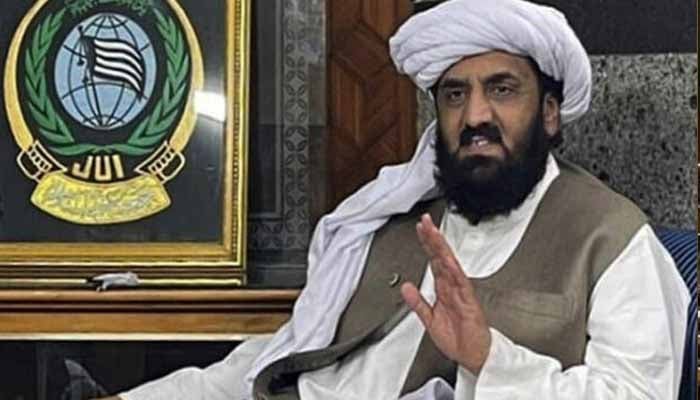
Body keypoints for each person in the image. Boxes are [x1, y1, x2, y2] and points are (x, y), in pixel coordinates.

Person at [100, 0, 690, 399]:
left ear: (551, 114)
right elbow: (283, 361)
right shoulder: (390, 222)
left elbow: (637, 392)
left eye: (502, 89)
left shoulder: (610, 238)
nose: (475, 116)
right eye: (454, 95)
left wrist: (489, 357)